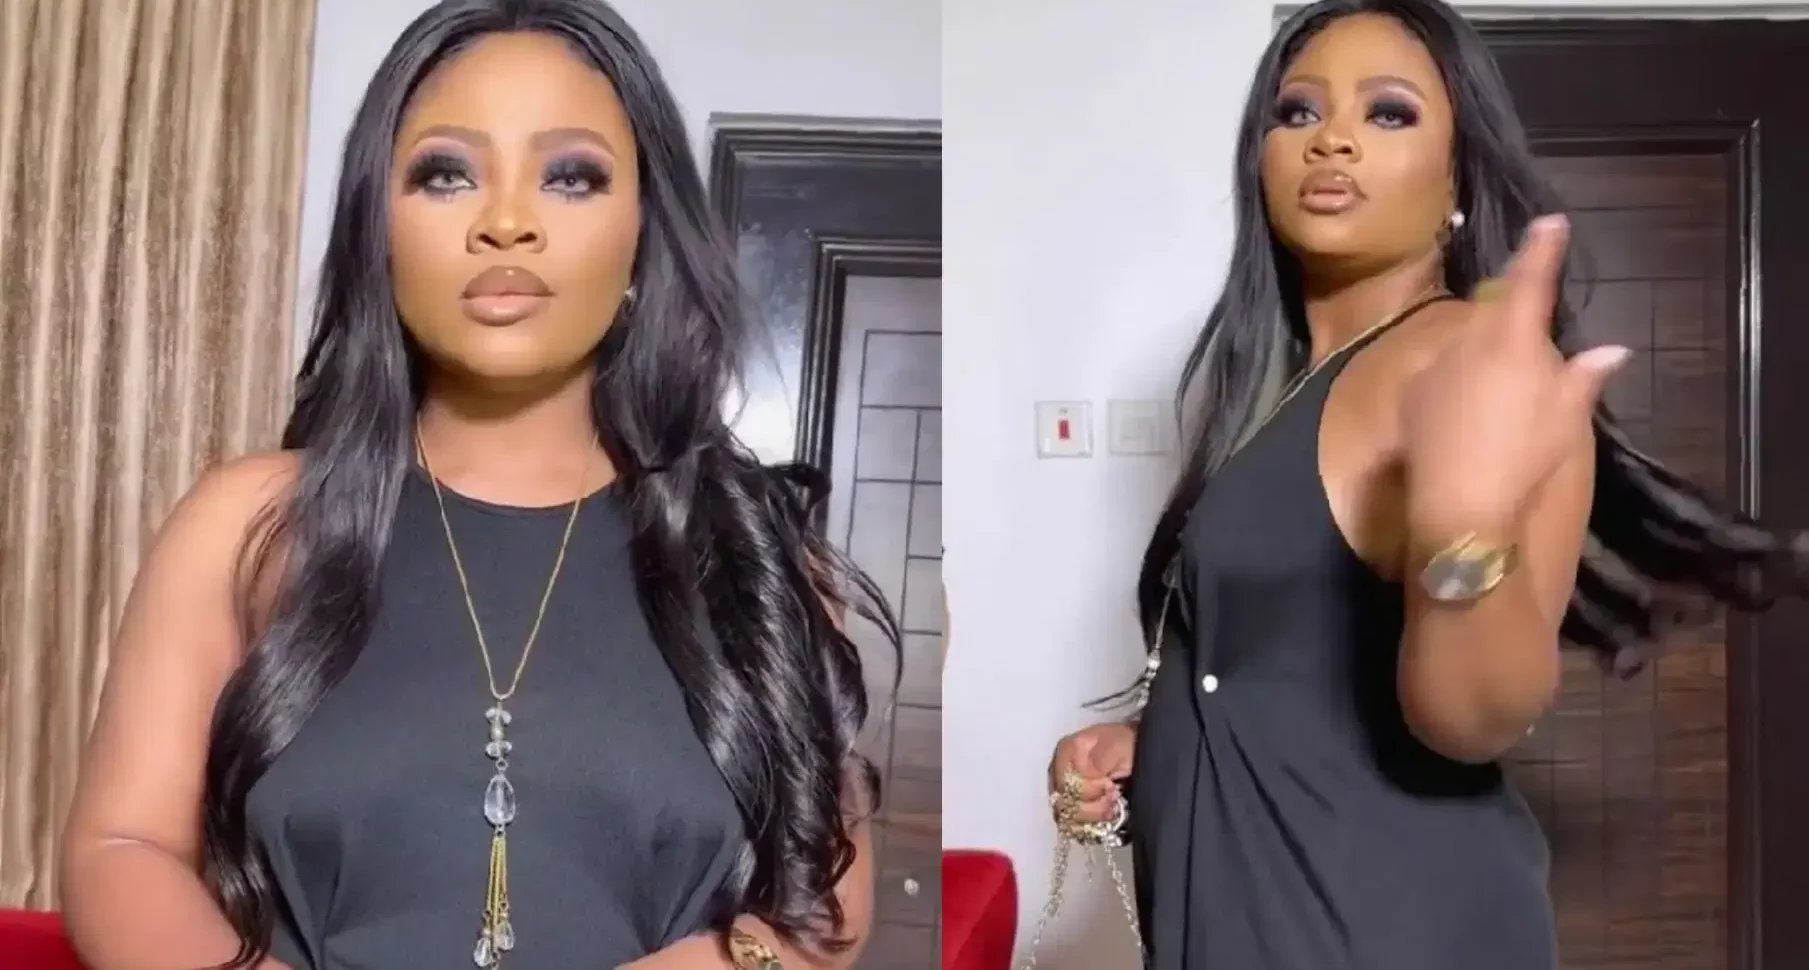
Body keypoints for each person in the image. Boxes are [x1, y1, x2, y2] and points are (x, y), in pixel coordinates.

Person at [58, 2, 896, 969]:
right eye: (446, 173)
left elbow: (822, 895)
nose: (505, 222)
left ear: (643, 234)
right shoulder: (251, 526)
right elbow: (121, 846)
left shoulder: (757, 553)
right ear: (379, 229)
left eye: (570, 176)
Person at [1046, 1, 1804, 968]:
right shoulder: (1295, 386)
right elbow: (1288, 672)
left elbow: (1473, 717)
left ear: (1458, 175)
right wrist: (1148, 742)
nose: (1332, 139)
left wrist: (1461, 531)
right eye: (1297, 111)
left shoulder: (1456, 360)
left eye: (1388, 112)